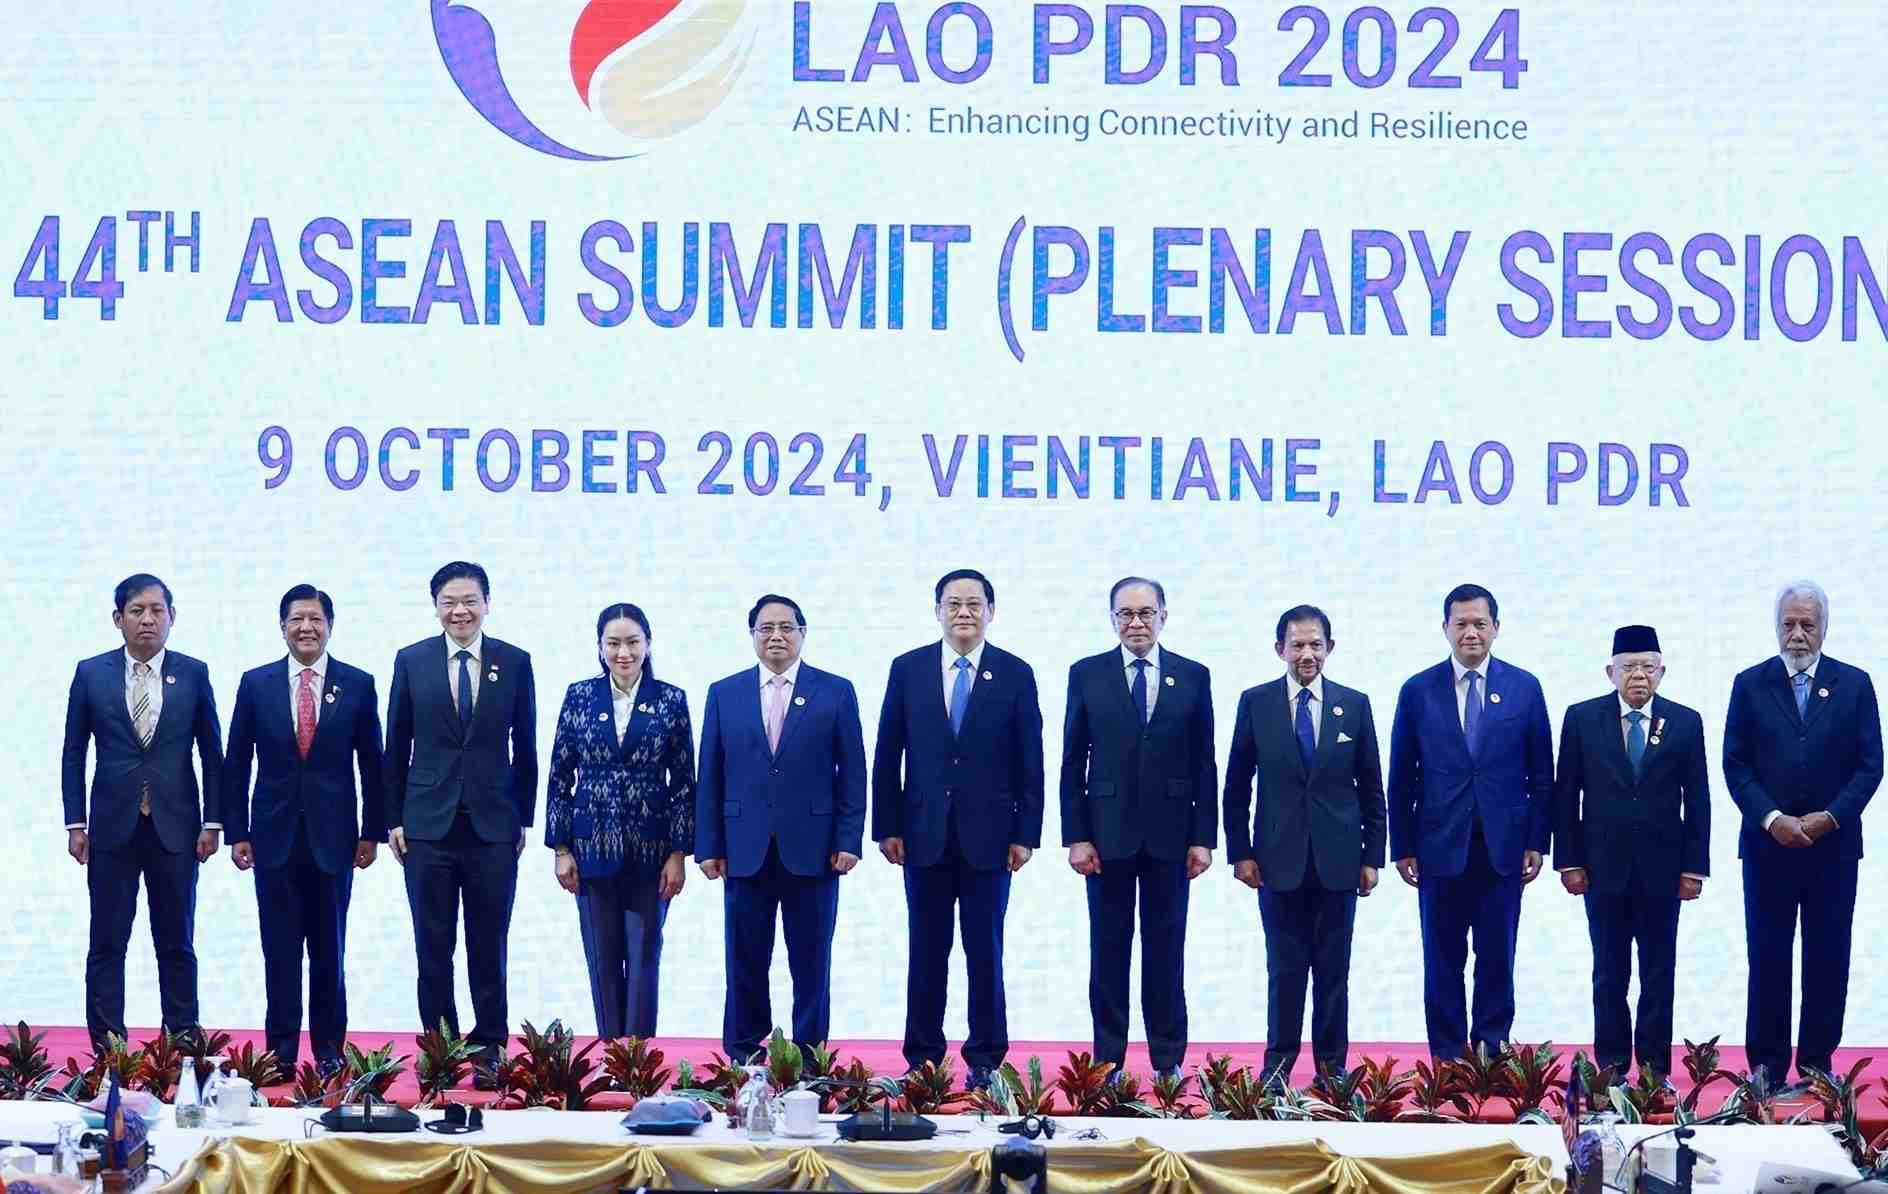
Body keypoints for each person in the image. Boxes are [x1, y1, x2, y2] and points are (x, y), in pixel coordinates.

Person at [872, 569, 1044, 1084]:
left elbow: (1029, 761)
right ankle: (922, 1059)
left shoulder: (1015, 673)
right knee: (926, 951)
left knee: (985, 951)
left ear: (991, 611)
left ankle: (986, 1060)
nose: (963, 612)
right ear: (937, 611)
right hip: (922, 836)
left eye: (974, 603)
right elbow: (887, 754)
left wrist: (1025, 833)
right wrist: (887, 826)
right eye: (953, 603)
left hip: (990, 840)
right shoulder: (908, 669)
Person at [222, 584, 386, 1076]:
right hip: (271, 838)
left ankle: (330, 1049)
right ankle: (281, 1051)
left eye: (315, 619)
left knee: (329, 951)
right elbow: (236, 763)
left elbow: (372, 766)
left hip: (335, 840)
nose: (306, 628)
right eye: (296, 619)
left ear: (329, 626)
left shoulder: (357, 684)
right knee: (279, 949)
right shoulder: (256, 683)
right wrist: (237, 831)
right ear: (282, 627)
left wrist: (371, 831)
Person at [695, 594, 866, 1061]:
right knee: (745, 961)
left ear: (802, 634)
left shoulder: (835, 690)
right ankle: (744, 1057)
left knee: (811, 964)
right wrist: (707, 844)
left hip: (814, 852)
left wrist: (848, 840)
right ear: (751, 635)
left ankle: (810, 1059)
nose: (776, 636)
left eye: (786, 627)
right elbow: (709, 772)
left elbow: (853, 772)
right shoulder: (724, 692)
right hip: (743, 849)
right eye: (765, 628)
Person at [384, 561, 537, 1083]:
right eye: (449, 602)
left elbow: (527, 746)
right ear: (436, 607)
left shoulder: (515, 663)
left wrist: (523, 817)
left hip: (494, 827)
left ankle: (491, 1046)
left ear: (487, 604)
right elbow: (395, 744)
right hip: (427, 826)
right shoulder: (412, 661)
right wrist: (394, 817)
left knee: (489, 943)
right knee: (433, 943)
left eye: (470, 600)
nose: (460, 610)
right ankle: (442, 1046)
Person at [1059, 577, 1216, 1082]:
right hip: (1105, 839)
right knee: (1108, 951)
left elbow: (1204, 763)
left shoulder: (1193, 676)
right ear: (1112, 619)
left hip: (1172, 838)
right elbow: (1071, 761)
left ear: (1164, 616)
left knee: (1166, 951)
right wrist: (1076, 835)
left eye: (1146, 613)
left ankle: (1167, 1061)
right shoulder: (1087, 674)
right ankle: (1107, 1061)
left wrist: (1203, 837)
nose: (1136, 623)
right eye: (1125, 614)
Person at [1723, 581, 1881, 1080]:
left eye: (1807, 624)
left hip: (1832, 849)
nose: (1797, 634)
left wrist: (1830, 816)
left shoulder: (1854, 684)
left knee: (1828, 958)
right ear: (1776, 626)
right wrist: (1773, 819)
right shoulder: (1749, 684)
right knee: (1768, 958)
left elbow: (1869, 766)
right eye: (1788, 623)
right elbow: (1736, 766)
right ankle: (1766, 1065)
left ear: (1824, 627)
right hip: (1768, 847)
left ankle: (1816, 1062)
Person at [1388, 583, 1552, 1061]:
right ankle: (1447, 1056)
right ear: (1445, 629)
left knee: (1497, 956)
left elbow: (1542, 773)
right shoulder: (1418, 690)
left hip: (1504, 848)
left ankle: (1492, 1051)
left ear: (1496, 628)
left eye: (1480, 623)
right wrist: (1402, 846)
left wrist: (1538, 840)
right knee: (1442, 959)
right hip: (1438, 847)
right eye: (1461, 623)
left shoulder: (1525, 687)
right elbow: (1401, 775)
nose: (1471, 632)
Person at [1223, 605, 1385, 1087]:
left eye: (1316, 644)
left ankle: (1333, 1068)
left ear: (1330, 648)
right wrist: (1241, 853)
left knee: (1334, 972)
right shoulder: (1257, 703)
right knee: (1285, 970)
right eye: (1297, 645)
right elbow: (1236, 786)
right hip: (1277, 863)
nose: (1307, 654)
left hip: (1339, 862)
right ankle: (1278, 1065)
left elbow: (1372, 786)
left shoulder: (1354, 705)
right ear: (1280, 650)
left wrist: (1372, 856)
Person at [62, 573, 224, 1049]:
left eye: (157, 610)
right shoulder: (91, 673)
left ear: (172, 617)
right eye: (137, 611)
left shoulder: (193, 673)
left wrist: (212, 822)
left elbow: (212, 753)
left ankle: (181, 1042)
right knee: (108, 942)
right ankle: (109, 1047)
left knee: (176, 942)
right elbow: (74, 752)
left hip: (177, 828)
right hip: (111, 829)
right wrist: (76, 824)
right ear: (118, 619)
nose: (148, 619)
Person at [1552, 625, 1710, 1078]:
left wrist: (1694, 869)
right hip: (1602, 870)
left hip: (1664, 871)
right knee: (1609, 974)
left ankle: (1657, 1068)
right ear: (1610, 671)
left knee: (1659, 973)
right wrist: (1570, 861)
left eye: (1647, 667)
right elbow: (1567, 795)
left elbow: (1697, 799)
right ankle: (1613, 1066)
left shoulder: (1685, 721)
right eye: (1628, 667)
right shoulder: (1582, 719)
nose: (1638, 675)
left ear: (1661, 672)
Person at [544, 603, 695, 1040]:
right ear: (599, 647)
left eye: (632, 642)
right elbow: (559, 776)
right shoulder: (579, 696)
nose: (623, 652)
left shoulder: (670, 699)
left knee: (645, 953)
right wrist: (562, 848)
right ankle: (613, 1051)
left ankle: (639, 1057)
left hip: (652, 851)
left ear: (648, 645)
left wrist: (678, 853)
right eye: (614, 643)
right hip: (591, 849)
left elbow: (685, 782)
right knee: (603, 955)